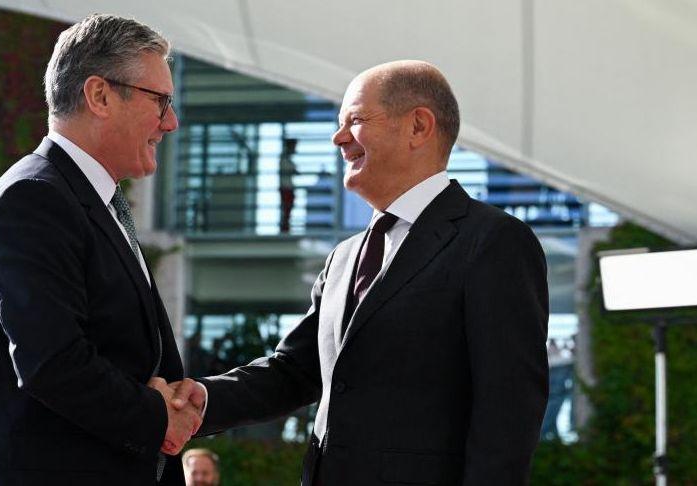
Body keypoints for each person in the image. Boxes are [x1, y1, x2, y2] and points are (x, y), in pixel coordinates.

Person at [172, 60, 549, 485]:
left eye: (354, 120)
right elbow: (295, 370)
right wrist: (201, 398)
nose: (338, 138)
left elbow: (509, 408)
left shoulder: (494, 242)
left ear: (418, 127)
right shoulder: (344, 257)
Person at [0, 14, 202, 485]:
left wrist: (175, 400)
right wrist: (157, 415)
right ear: (99, 95)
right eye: (160, 102)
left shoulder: (88, 200)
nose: (171, 122)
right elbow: (52, 363)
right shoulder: (30, 199)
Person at [279, 138, 299, 233]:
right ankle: (284, 229)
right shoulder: (284, 159)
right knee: (286, 209)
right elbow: (291, 170)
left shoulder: (286, 159)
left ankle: (286, 228)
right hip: (286, 187)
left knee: (288, 209)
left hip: (288, 187)